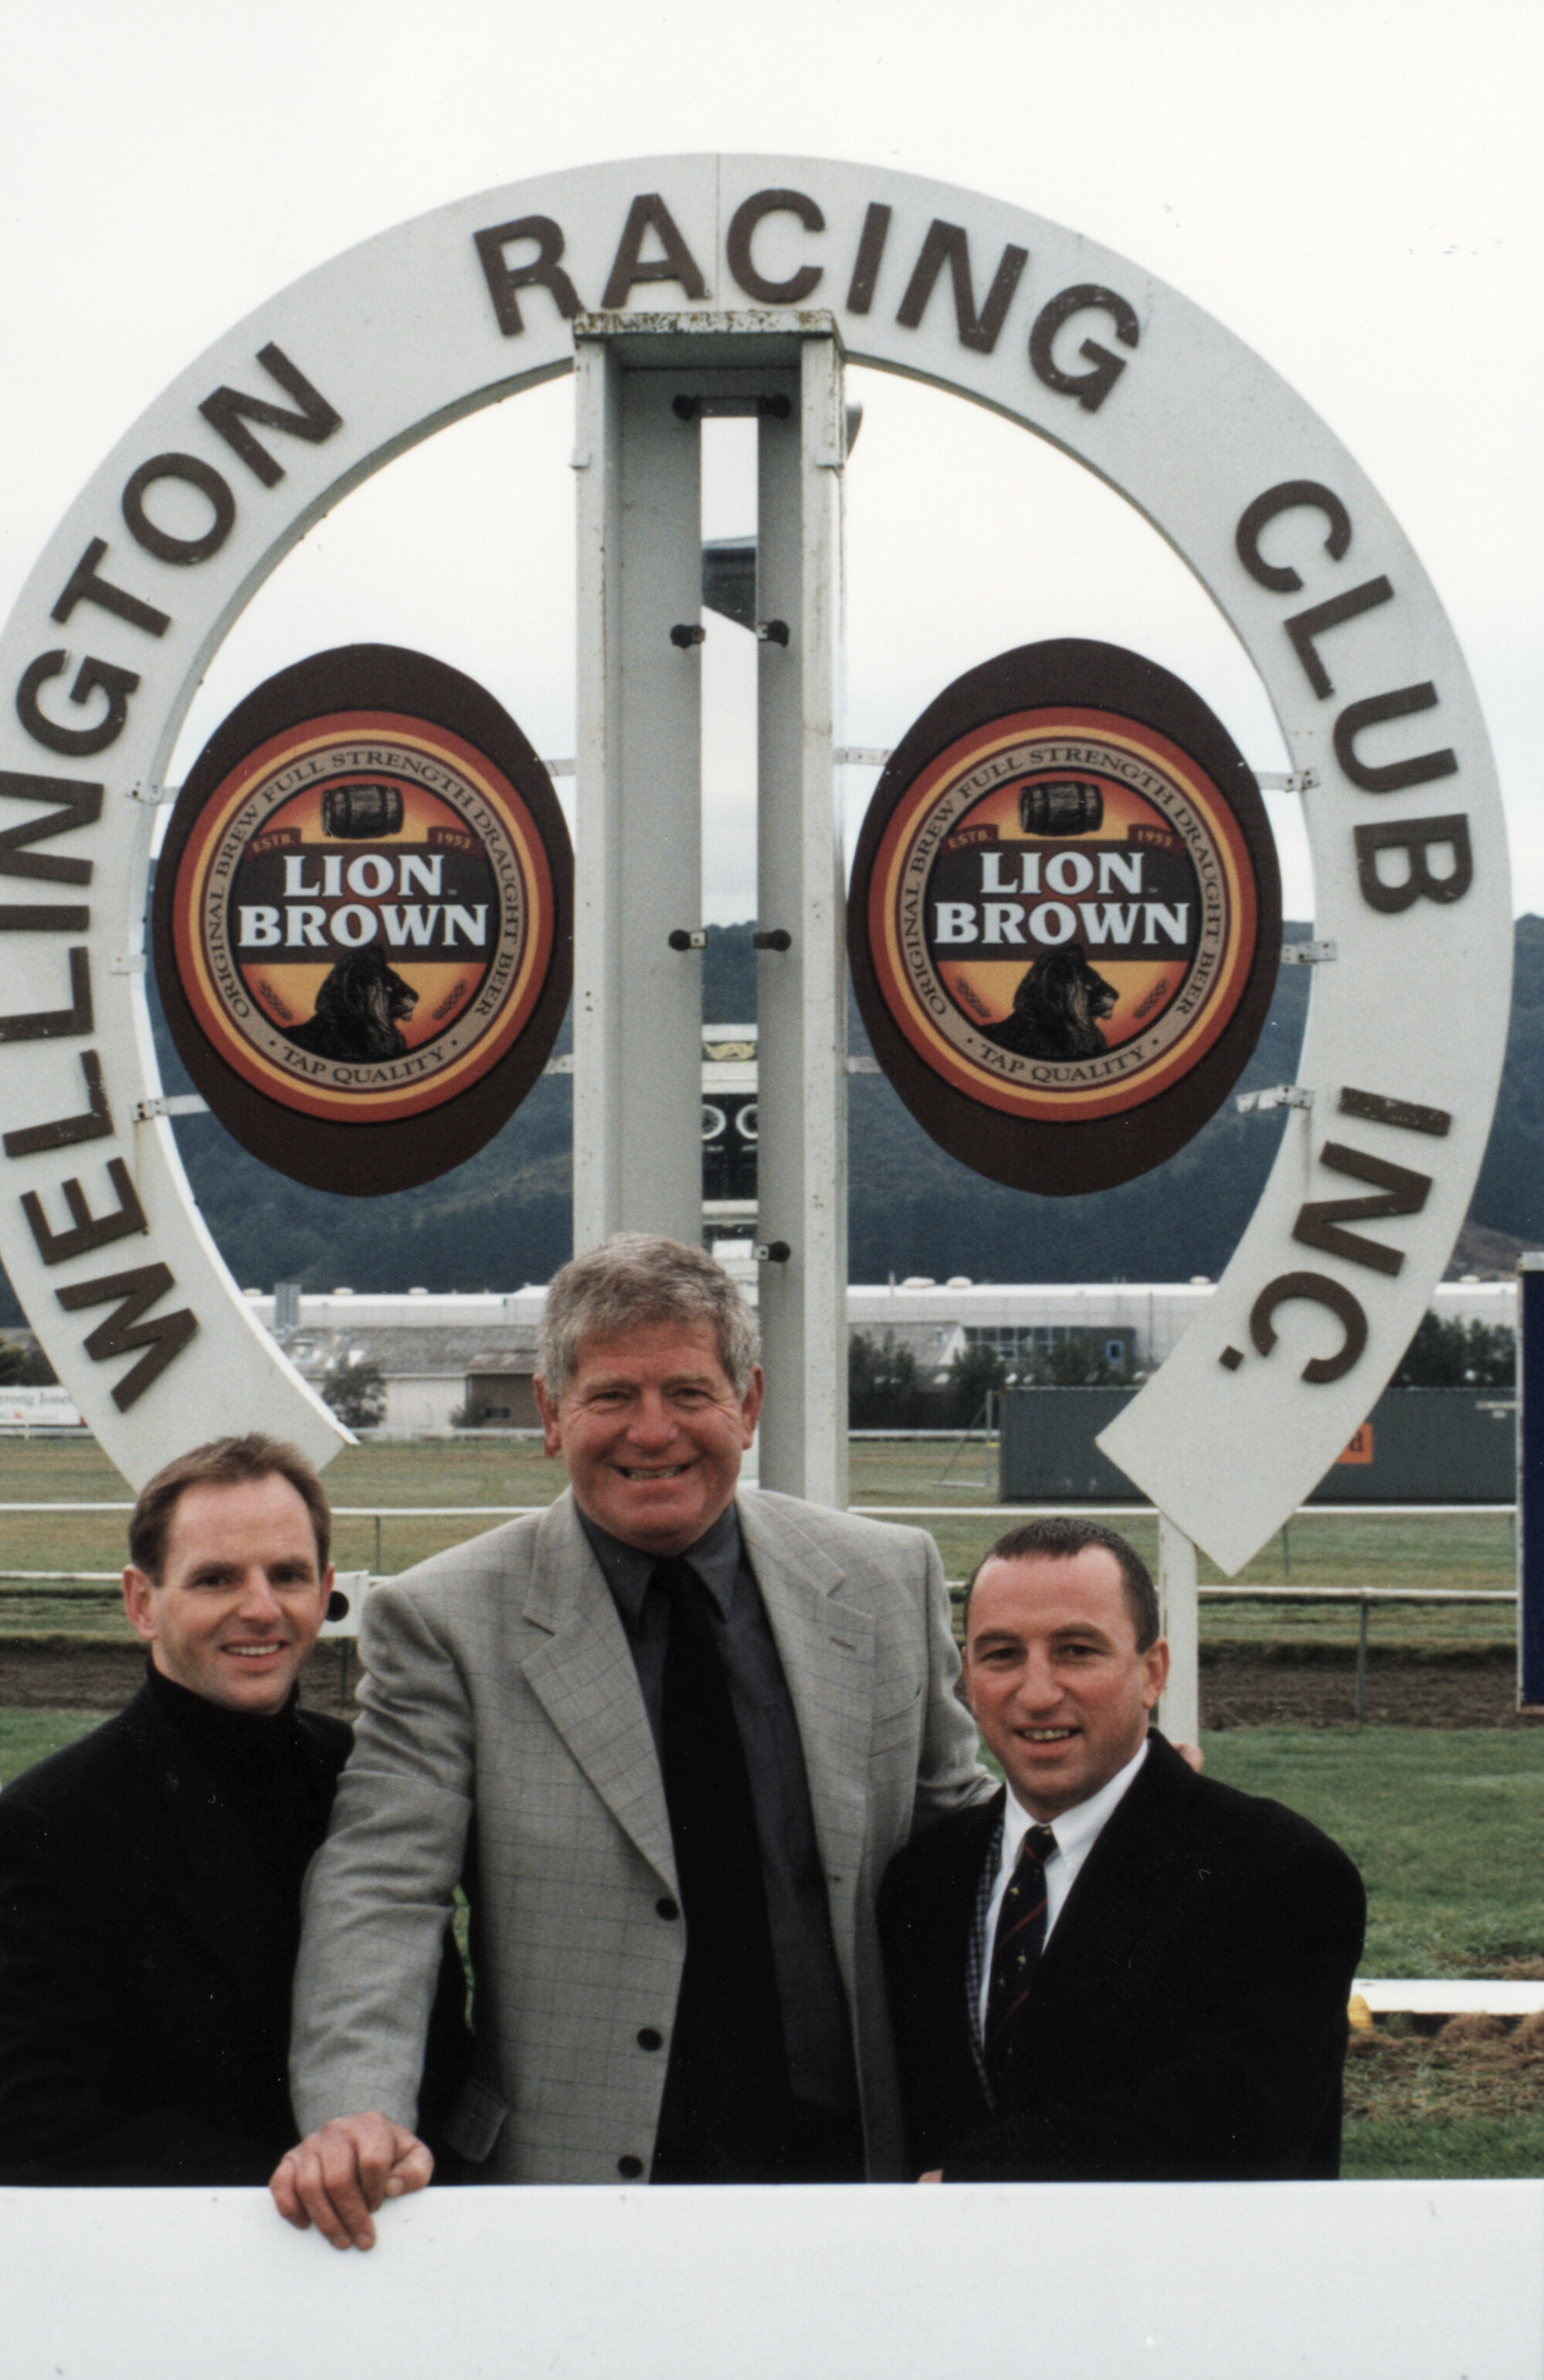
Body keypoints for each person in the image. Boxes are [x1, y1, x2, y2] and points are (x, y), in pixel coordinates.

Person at [273, 1233, 988, 2245]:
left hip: (854, 2176)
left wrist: (1111, 1812)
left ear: (747, 1402)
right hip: (575, 2199)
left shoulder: (882, 1576)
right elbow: (381, 1889)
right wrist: (357, 2108)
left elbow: (962, 1845)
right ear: (549, 1413)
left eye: (687, 1393)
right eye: (611, 1396)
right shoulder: (446, 1620)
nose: (652, 1433)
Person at [0, 1433, 467, 2185]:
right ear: (141, 1603)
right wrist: (299, 2185)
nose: (260, 1608)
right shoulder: (47, 1824)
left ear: (326, 1591)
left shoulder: (366, 1775)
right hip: (189, 2264)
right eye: (216, 1580)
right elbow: (34, 2123)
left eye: (287, 1575)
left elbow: (441, 2038)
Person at [879, 1516, 1366, 2182]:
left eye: (1076, 1650)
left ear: (1152, 1671)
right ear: (966, 1674)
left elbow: (1242, 2120)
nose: (1038, 1691)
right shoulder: (922, 1877)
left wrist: (976, 2180)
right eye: (1001, 1654)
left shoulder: (1278, 1871)